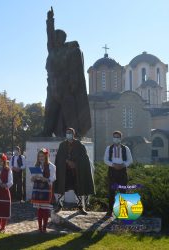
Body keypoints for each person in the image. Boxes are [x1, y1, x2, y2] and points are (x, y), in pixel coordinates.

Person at [41, 7, 91, 138]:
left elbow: (74, 69)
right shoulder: (52, 50)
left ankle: (74, 134)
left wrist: (73, 84)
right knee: (50, 112)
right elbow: (49, 35)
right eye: (56, 37)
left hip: (65, 88)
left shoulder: (69, 51)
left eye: (59, 37)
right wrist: (50, 20)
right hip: (52, 88)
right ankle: (46, 131)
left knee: (70, 114)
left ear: (63, 39)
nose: (56, 39)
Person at [54, 128, 95, 215]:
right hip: (65, 172)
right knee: (61, 188)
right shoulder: (62, 145)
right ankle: (59, 205)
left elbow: (84, 158)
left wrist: (76, 164)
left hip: (76, 172)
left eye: (70, 133)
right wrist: (67, 161)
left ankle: (80, 207)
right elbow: (59, 157)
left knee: (78, 189)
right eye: (67, 132)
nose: (69, 134)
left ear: (74, 134)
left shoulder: (79, 145)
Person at [103, 131, 133, 217]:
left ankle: (123, 212)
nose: (116, 138)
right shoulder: (109, 148)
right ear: (113, 138)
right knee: (111, 191)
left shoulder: (125, 148)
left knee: (123, 191)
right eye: (114, 137)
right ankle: (110, 210)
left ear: (120, 138)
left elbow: (130, 160)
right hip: (112, 171)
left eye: (118, 137)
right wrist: (113, 165)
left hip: (122, 171)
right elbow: (105, 160)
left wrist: (123, 165)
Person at [31, 148, 56, 233]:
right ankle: (39, 227)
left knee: (45, 209)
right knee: (39, 209)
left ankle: (44, 227)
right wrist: (33, 178)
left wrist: (46, 179)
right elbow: (33, 178)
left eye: (42, 156)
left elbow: (53, 178)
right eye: (39, 156)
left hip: (46, 189)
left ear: (46, 156)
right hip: (37, 189)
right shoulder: (36, 166)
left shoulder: (51, 166)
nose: (41, 158)